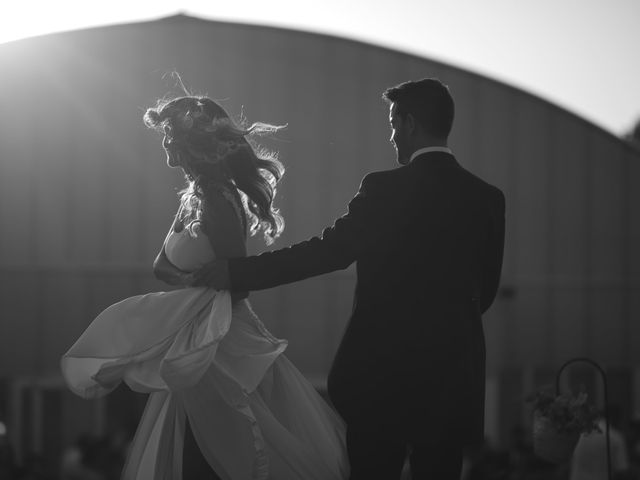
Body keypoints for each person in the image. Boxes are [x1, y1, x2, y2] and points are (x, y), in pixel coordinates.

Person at [194, 78, 506, 480]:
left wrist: (238, 271)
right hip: (452, 373)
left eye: (394, 123)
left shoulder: (385, 189)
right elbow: (486, 291)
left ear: (410, 123)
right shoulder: (487, 198)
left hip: (381, 374)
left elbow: (327, 252)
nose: (392, 135)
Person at [61, 90, 348, 480]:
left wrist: (209, 283)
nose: (165, 143)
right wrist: (189, 282)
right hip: (194, 331)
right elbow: (161, 266)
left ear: (191, 143)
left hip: (221, 339)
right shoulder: (192, 198)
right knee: (196, 442)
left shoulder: (218, 199)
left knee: (223, 446)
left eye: (170, 135)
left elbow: (238, 280)